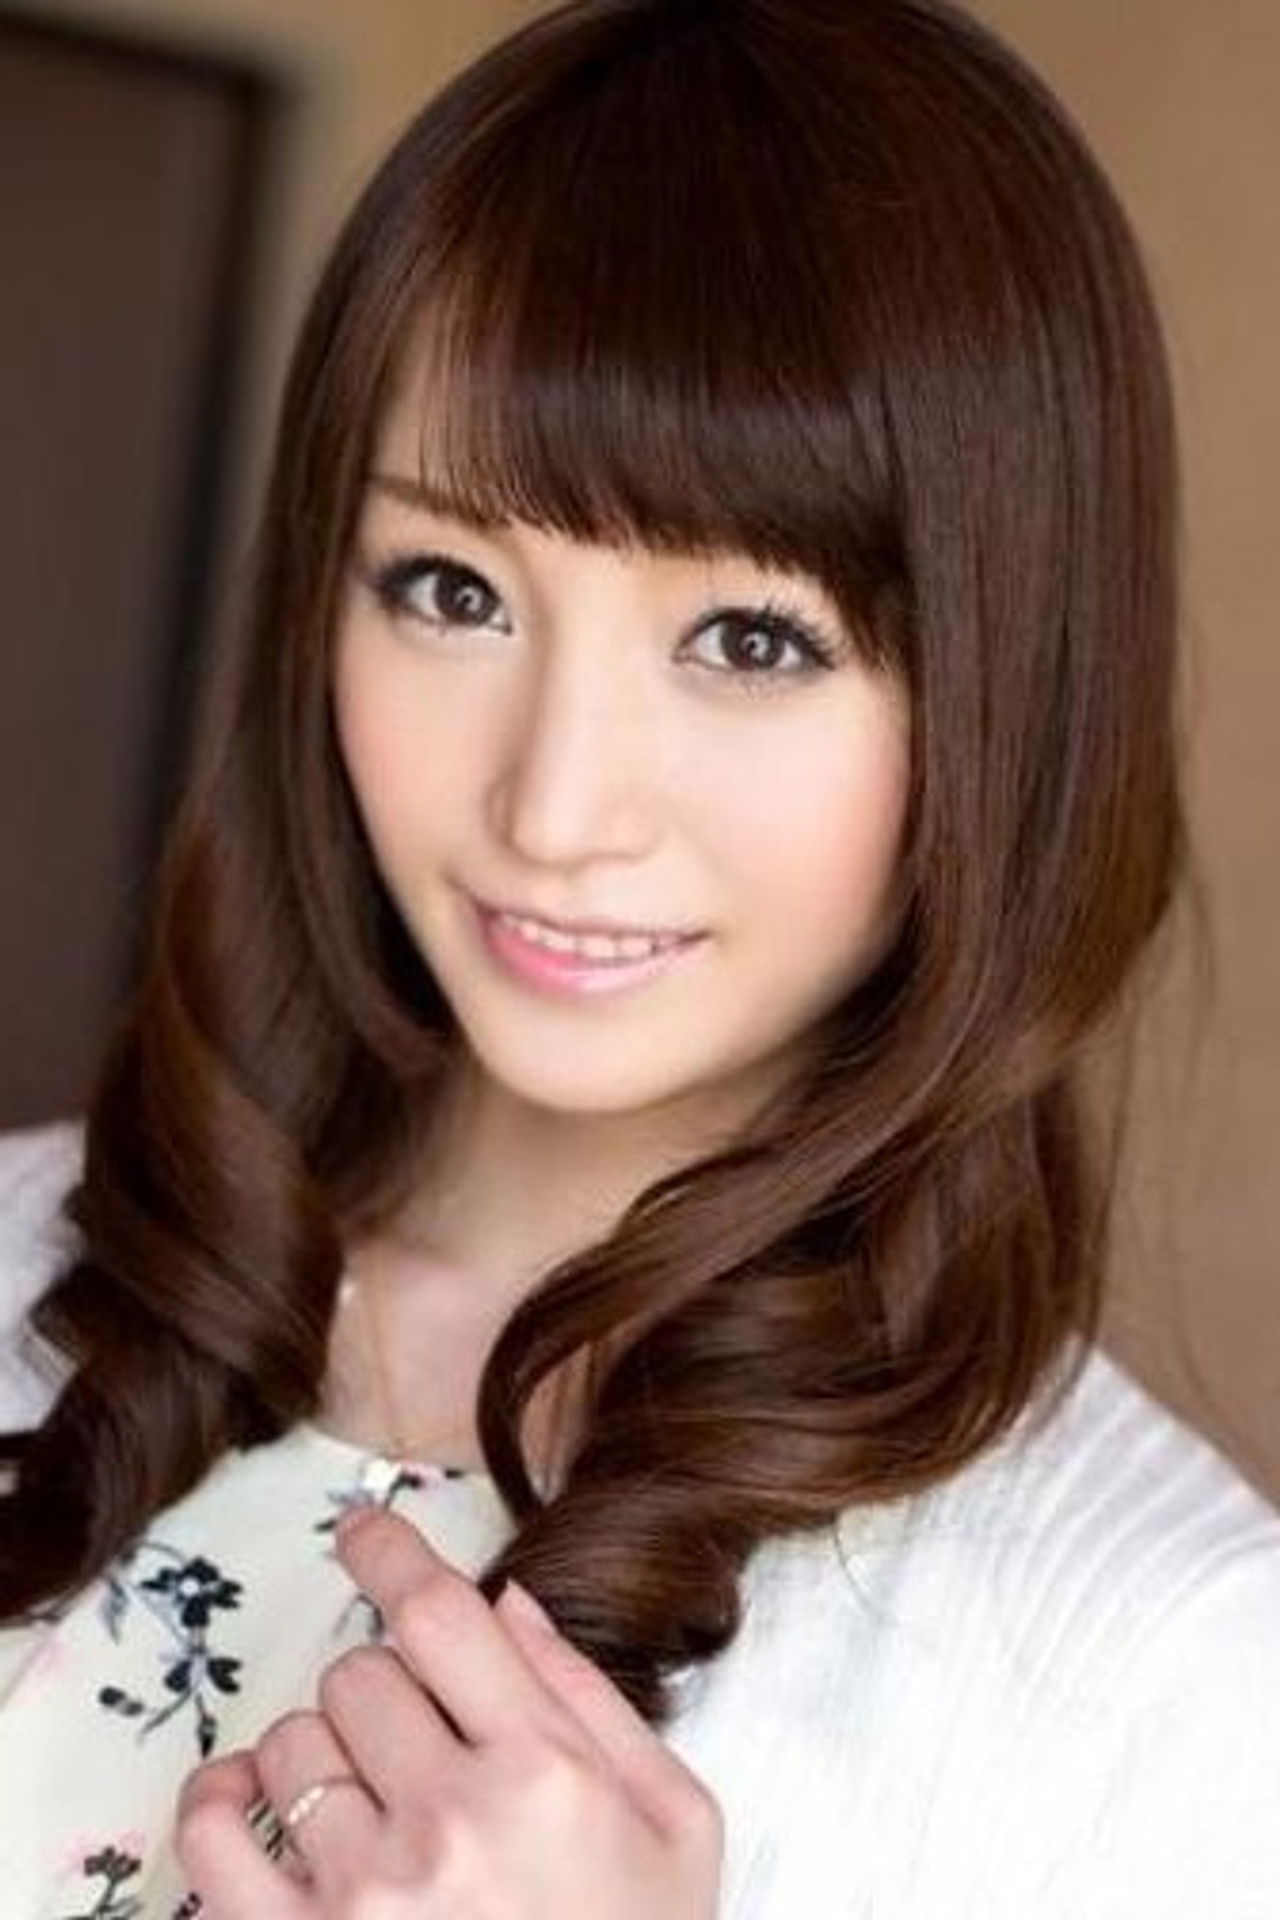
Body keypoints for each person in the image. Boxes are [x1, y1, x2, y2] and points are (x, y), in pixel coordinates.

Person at [1, 0, 1278, 1912]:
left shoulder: (1168, 1687)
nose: (556, 801)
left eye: (752, 641)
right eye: (452, 589)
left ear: (1013, 705)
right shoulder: (26, 1255)